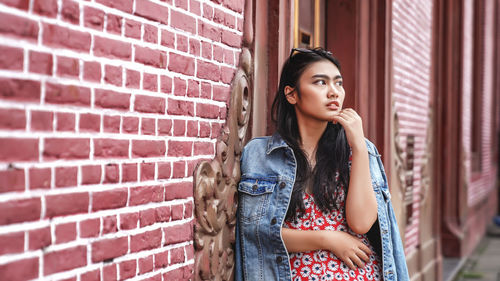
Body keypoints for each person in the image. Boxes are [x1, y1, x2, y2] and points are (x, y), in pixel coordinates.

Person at [234, 47, 409, 281]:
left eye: (338, 83)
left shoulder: (357, 149)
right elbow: (256, 232)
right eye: (320, 83)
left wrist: (358, 147)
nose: (334, 92)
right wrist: (328, 239)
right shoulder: (262, 154)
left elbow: (361, 223)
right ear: (291, 94)